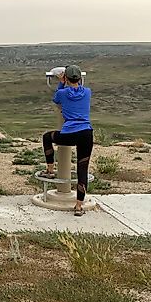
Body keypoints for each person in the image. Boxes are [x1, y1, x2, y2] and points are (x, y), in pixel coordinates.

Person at [42, 64, 93, 217]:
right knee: (82, 169)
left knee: (47, 137)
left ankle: (50, 170)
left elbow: (56, 98)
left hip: (69, 134)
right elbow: (79, 89)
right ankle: (78, 206)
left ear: (66, 78)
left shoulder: (62, 93)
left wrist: (61, 81)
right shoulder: (88, 92)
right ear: (80, 78)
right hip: (86, 134)